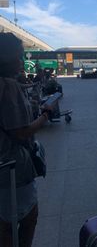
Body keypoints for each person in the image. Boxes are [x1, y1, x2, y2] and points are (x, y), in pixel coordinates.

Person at [0, 33, 53, 246]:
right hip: (12, 167)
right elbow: (21, 132)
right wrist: (46, 115)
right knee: (28, 216)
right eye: (18, 56)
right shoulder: (8, 86)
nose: (21, 61)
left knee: (3, 222)